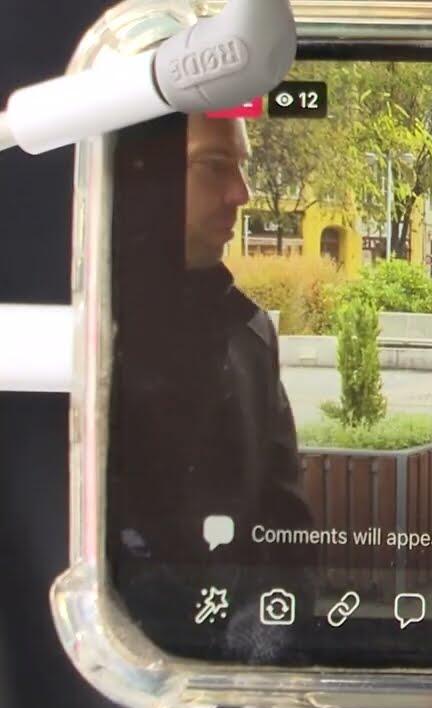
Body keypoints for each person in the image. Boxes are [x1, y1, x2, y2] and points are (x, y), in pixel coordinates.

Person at [108, 114, 313, 642]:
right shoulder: (85, 336)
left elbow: (284, 519)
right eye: (215, 166)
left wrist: (270, 636)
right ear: (138, 173)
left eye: (241, 167)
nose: (242, 194)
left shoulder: (251, 334)